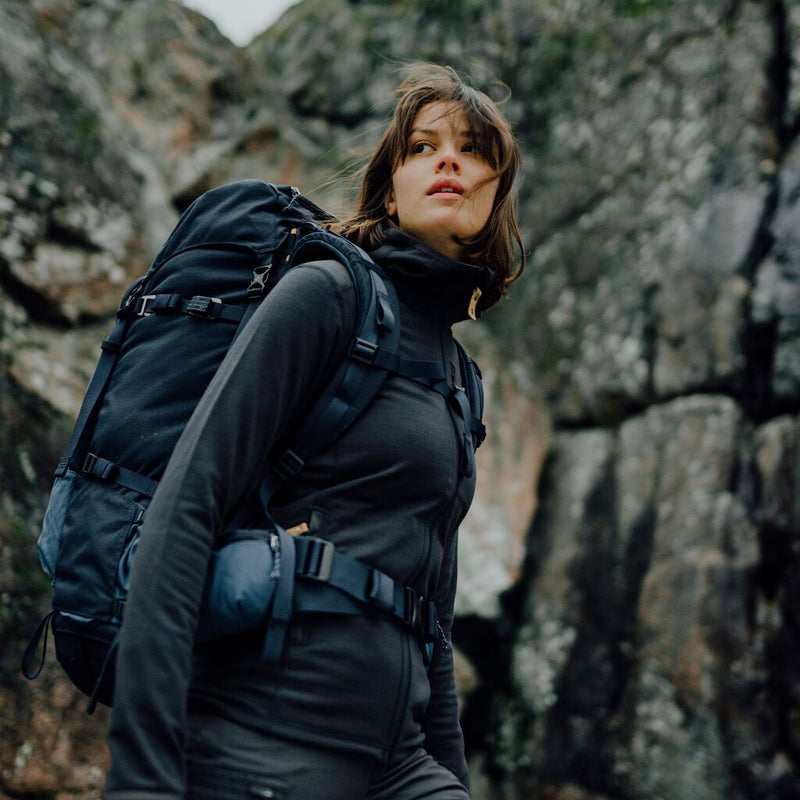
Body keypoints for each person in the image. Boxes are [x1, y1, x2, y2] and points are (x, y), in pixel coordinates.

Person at [104, 62, 525, 800]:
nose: (448, 161)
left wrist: (450, 781)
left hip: (400, 766)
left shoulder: (462, 380)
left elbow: (432, 618)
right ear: (390, 189)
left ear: (496, 197)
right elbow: (186, 509)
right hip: (262, 745)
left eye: (472, 149)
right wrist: (144, 778)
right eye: (422, 148)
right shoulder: (328, 295)